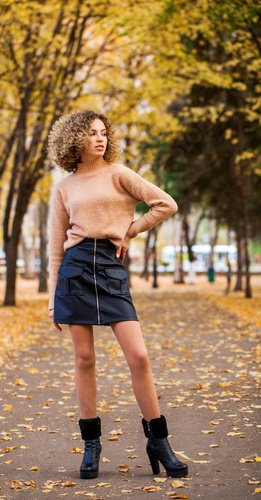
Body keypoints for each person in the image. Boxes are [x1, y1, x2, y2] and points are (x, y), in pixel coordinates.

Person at [47, 109, 188, 480]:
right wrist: (51, 298)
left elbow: (165, 204)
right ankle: (91, 447)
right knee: (84, 359)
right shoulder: (64, 187)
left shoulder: (119, 173)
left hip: (110, 268)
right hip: (74, 270)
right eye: (92, 133)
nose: (100, 139)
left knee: (139, 356)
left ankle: (159, 441)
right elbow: (55, 248)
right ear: (74, 139)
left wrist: (131, 231)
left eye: (103, 132)